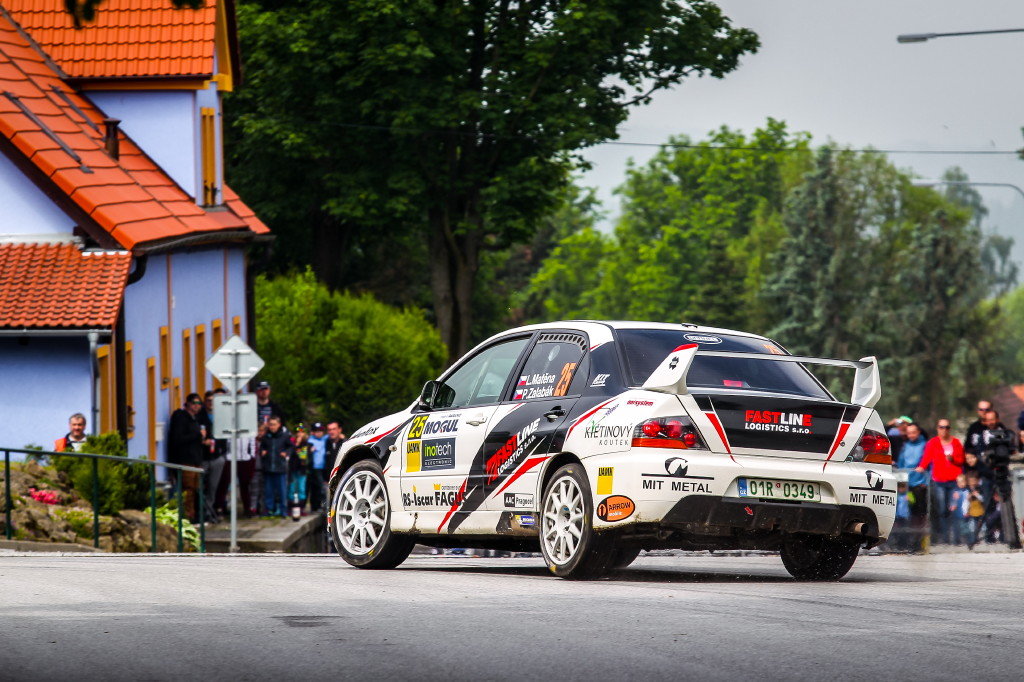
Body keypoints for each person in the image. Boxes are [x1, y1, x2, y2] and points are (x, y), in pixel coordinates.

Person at [916, 418, 965, 544]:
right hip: (939, 480)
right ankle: (945, 537)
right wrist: (921, 467)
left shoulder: (956, 442)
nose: (944, 430)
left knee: (954, 509)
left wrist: (952, 458)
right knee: (942, 510)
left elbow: (961, 461)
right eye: (941, 427)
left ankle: (957, 538)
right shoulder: (933, 442)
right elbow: (927, 458)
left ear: (950, 429)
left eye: (947, 427)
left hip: (954, 480)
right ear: (938, 428)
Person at [167, 394, 209, 522]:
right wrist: (197, 434)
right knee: (188, 490)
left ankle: (195, 515)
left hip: (196, 459)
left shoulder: (195, 419)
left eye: (199, 403)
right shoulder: (180, 417)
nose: (197, 406)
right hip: (185, 460)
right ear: (188, 404)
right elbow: (178, 439)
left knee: (196, 489)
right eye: (194, 403)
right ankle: (187, 517)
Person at [896, 423, 929, 548]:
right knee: (904, 512)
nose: (911, 435)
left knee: (918, 514)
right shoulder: (906, 446)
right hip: (906, 484)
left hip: (919, 484)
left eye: (913, 432)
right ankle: (903, 541)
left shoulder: (924, 445)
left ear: (918, 432)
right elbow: (901, 463)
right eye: (909, 433)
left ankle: (918, 541)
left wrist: (925, 482)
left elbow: (928, 463)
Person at [198, 389, 227, 524]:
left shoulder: (221, 415)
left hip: (217, 456)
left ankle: (210, 512)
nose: (211, 403)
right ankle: (202, 513)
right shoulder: (199, 416)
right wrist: (203, 442)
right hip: (203, 456)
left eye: (213, 401)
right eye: (208, 400)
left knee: (213, 487)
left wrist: (223, 453)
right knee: (200, 486)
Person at [259, 415, 292, 517]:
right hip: (268, 468)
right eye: (270, 425)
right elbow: (262, 447)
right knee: (269, 491)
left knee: (282, 491)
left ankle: (283, 510)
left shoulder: (284, 436)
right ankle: (269, 510)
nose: (272, 427)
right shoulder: (266, 437)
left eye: (274, 425)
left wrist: (286, 453)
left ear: (279, 425)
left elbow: (291, 447)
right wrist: (262, 452)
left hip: (280, 468)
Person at [307, 422, 329, 512]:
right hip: (315, 467)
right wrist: (309, 449)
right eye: (316, 431)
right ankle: (319, 505)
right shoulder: (310, 441)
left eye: (320, 431)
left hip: (323, 467)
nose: (319, 433)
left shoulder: (325, 439)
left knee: (322, 486)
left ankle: (320, 505)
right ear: (313, 432)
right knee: (318, 487)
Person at [289, 424, 310, 512]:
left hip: (302, 470)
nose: (300, 434)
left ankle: (301, 508)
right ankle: (291, 507)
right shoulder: (291, 443)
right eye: (298, 432)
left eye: (302, 432)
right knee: (292, 488)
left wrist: (298, 446)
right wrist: (296, 444)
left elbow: (303, 457)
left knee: (301, 488)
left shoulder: (306, 444)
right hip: (293, 469)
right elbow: (291, 454)